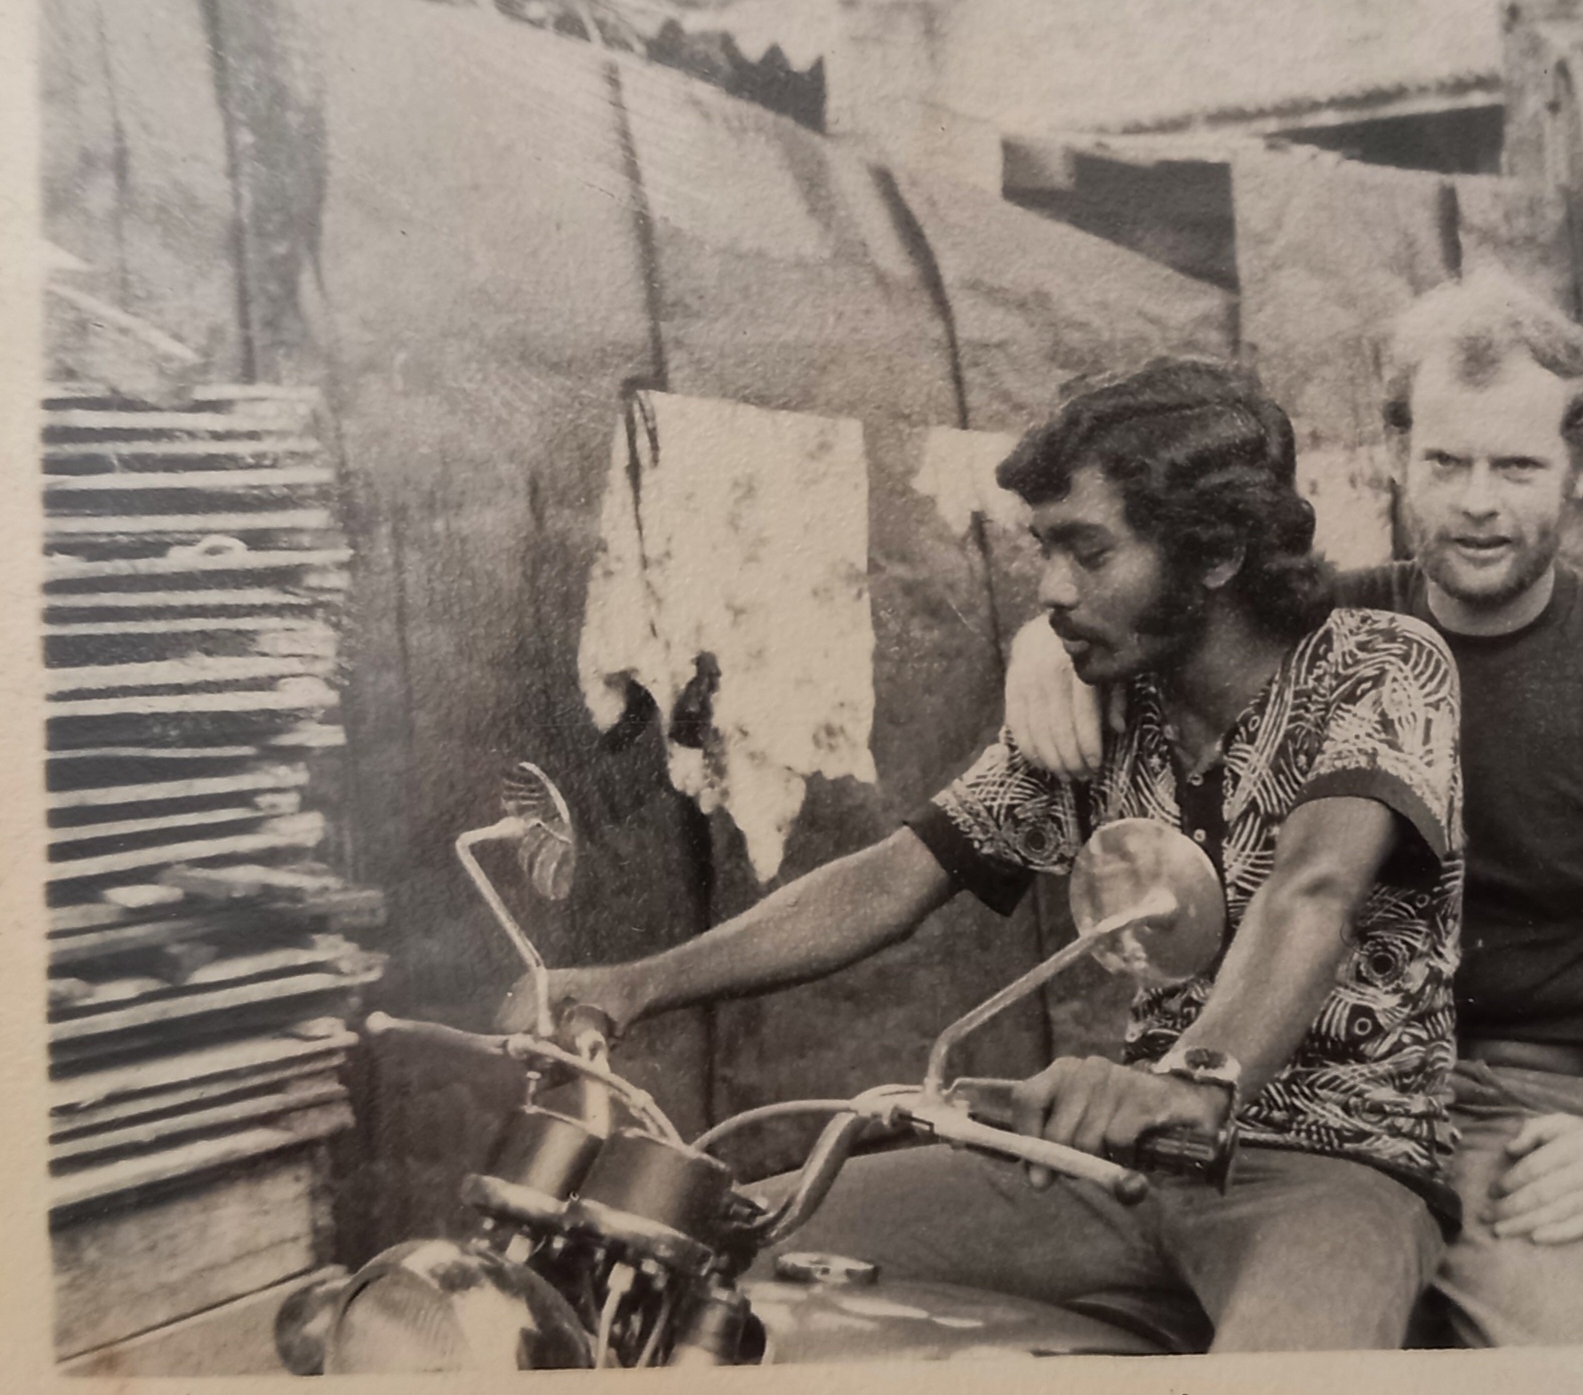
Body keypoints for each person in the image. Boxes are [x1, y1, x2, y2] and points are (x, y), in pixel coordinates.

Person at [509, 358, 1465, 1353]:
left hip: (1332, 1167)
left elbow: (1314, 888)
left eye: (1089, 551)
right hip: (1119, 1167)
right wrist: (635, 983)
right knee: (696, 1249)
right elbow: (896, 874)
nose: (1050, 589)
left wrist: (1194, 1081)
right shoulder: (1108, 707)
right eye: (1044, 548)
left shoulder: (1379, 664)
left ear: (1216, 552)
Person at [1004, 270, 1583, 1346]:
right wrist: (1040, 646)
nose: (1477, 502)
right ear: (1395, 453)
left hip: (1533, 1122)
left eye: (1518, 465)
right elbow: (1149, 605)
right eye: (1446, 462)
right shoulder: (1316, 629)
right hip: (1302, 1089)